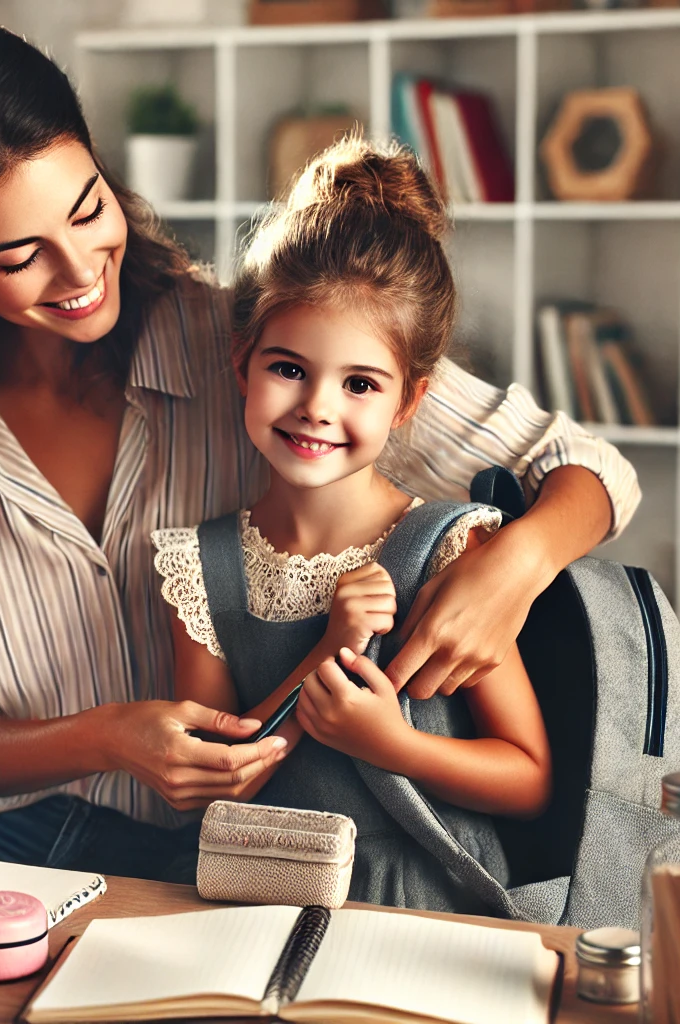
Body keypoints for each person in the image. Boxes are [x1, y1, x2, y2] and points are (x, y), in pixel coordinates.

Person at [0, 17, 637, 878]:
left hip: (226, 849)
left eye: (89, 211)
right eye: (20, 255)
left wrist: (509, 569)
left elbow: (586, 469)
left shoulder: (253, 340)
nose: (80, 272)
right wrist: (108, 737)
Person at [152, 137, 552, 905]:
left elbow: (528, 778)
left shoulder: (453, 551)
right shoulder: (194, 565)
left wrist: (390, 744)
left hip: (418, 904)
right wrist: (329, 652)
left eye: (360, 383)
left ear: (409, 401)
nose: (317, 408)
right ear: (243, 364)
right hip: (253, 899)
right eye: (289, 369)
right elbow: (209, 784)